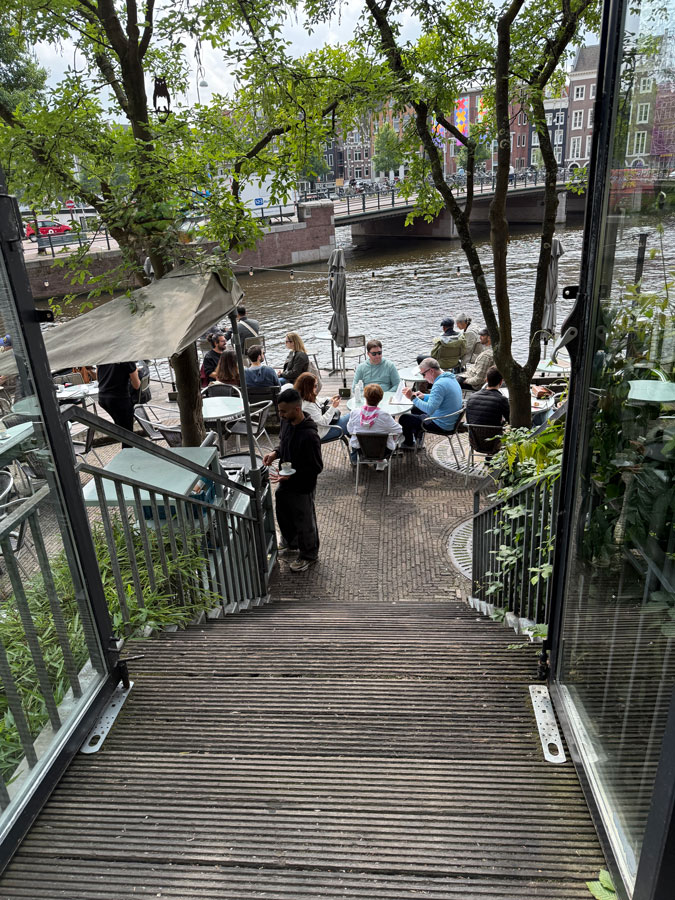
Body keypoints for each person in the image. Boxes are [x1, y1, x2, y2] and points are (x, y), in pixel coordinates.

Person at [262, 388, 323, 573]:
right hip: (286, 479)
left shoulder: (310, 436)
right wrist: (275, 453)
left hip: (302, 485)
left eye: (283, 411)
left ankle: (309, 555)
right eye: (279, 411)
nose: (280, 415)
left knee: (305, 520)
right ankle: (291, 541)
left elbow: (316, 467)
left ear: (297, 409)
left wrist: (292, 475)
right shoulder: (287, 423)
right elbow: (283, 443)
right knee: (281, 506)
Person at [400, 357, 463, 450]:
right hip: (450, 419)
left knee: (404, 418)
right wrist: (424, 396)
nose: (424, 378)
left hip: (441, 423)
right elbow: (442, 397)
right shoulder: (450, 377)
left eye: (423, 374)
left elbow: (429, 409)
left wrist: (412, 397)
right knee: (414, 409)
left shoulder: (439, 385)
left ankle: (409, 444)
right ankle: (418, 437)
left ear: (431, 371)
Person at [347, 383, 402, 464]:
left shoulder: (355, 412)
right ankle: (380, 461)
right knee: (395, 435)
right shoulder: (384, 415)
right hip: (383, 451)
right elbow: (399, 430)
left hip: (361, 450)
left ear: (365, 397)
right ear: (381, 398)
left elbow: (349, 429)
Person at [464, 366, 510, 457]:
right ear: (501, 382)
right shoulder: (502, 400)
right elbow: (511, 420)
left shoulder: (472, 397)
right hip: (494, 444)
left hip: (474, 442)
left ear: (486, 380)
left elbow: (469, 420)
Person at [294, 372, 343, 444]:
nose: (317, 387)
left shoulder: (302, 396)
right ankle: (357, 451)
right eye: (315, 385)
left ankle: (356, 448)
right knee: (351, 420)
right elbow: (323, 422)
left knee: (352, 423)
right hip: (319, 433)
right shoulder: (307, 406)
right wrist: (333, 407)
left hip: (316, 429)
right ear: (308, 387)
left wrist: (330, 400)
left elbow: (317, 400)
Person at [97, 361, 140, 438]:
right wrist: (135, 371)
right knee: (128, 435)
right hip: (119, 399)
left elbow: (98, 379)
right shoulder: (127, 360)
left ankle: (121, 433)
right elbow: (136, 385)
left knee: (122, 427)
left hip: (103, 397)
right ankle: (127, 448)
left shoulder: (103, 357)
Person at [456, 328, 494, 392]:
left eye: (482, 336)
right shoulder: (493, 351)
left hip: (474, 385)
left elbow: (479, 379)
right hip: (470, 377)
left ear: (489, 338)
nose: (480, 337)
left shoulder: (486, 356)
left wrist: (466, 381)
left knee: (446, 382)